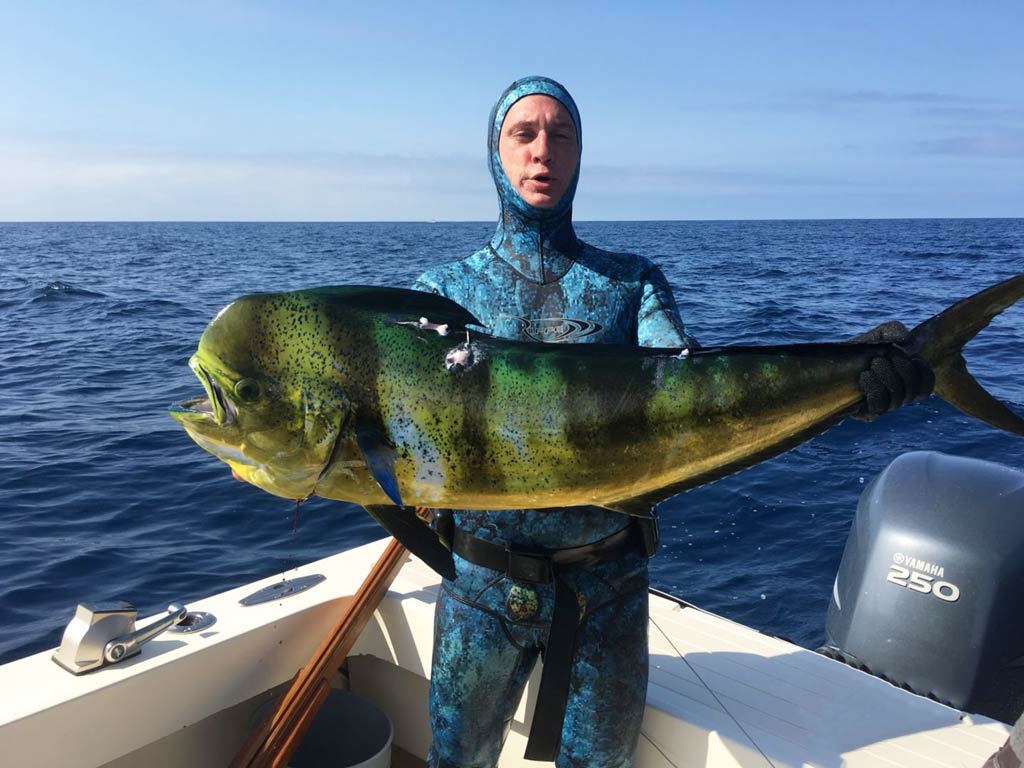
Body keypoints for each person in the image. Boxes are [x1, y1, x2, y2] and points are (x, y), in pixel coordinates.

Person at [411, 75, 933, 768]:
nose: (544, 153)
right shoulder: (441, 295)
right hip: (478, 590)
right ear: (494, 152)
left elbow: (693, 395)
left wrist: (852, 370)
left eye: (561, 136)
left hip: (606, 593)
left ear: (580, 154)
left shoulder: (631, 283)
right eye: (524, 134)